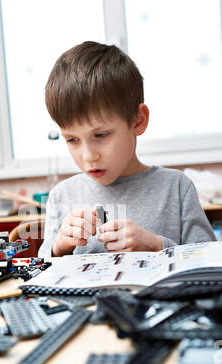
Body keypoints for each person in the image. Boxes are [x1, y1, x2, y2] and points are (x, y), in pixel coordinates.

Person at [38, 41, 216, 257]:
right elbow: (43, 267)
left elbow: (208, 260)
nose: (88, 155)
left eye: (101, 135)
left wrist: (156, 245)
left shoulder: (176, 188)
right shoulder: (61, 196)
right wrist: (58, 248)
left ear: (138, 121)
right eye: (73, 140)